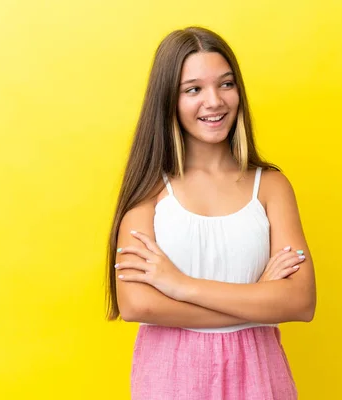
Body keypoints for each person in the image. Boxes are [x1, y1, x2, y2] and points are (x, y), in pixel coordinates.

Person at [106, 26, 317, 400]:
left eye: (226, 84)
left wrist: (181, 286)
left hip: (260, 379)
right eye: (193, 89)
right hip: (172, 381)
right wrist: (260, 301)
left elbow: (300, 301)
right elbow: (138, 303)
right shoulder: (150, 192)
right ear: (168, 100)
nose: (215, 101)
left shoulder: (270, 186)